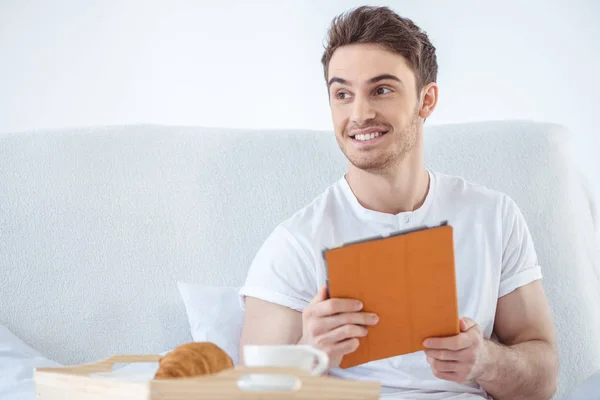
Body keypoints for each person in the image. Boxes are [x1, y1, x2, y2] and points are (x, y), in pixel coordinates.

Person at [238, 5, 558, 399]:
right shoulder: (295, 244)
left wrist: (486, 362)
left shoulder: (493, 216)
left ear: (426, 101)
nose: (359, 114)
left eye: (382, 90)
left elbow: (544, 384)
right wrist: (309, 354)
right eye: (342, 94)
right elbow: (250, 393)